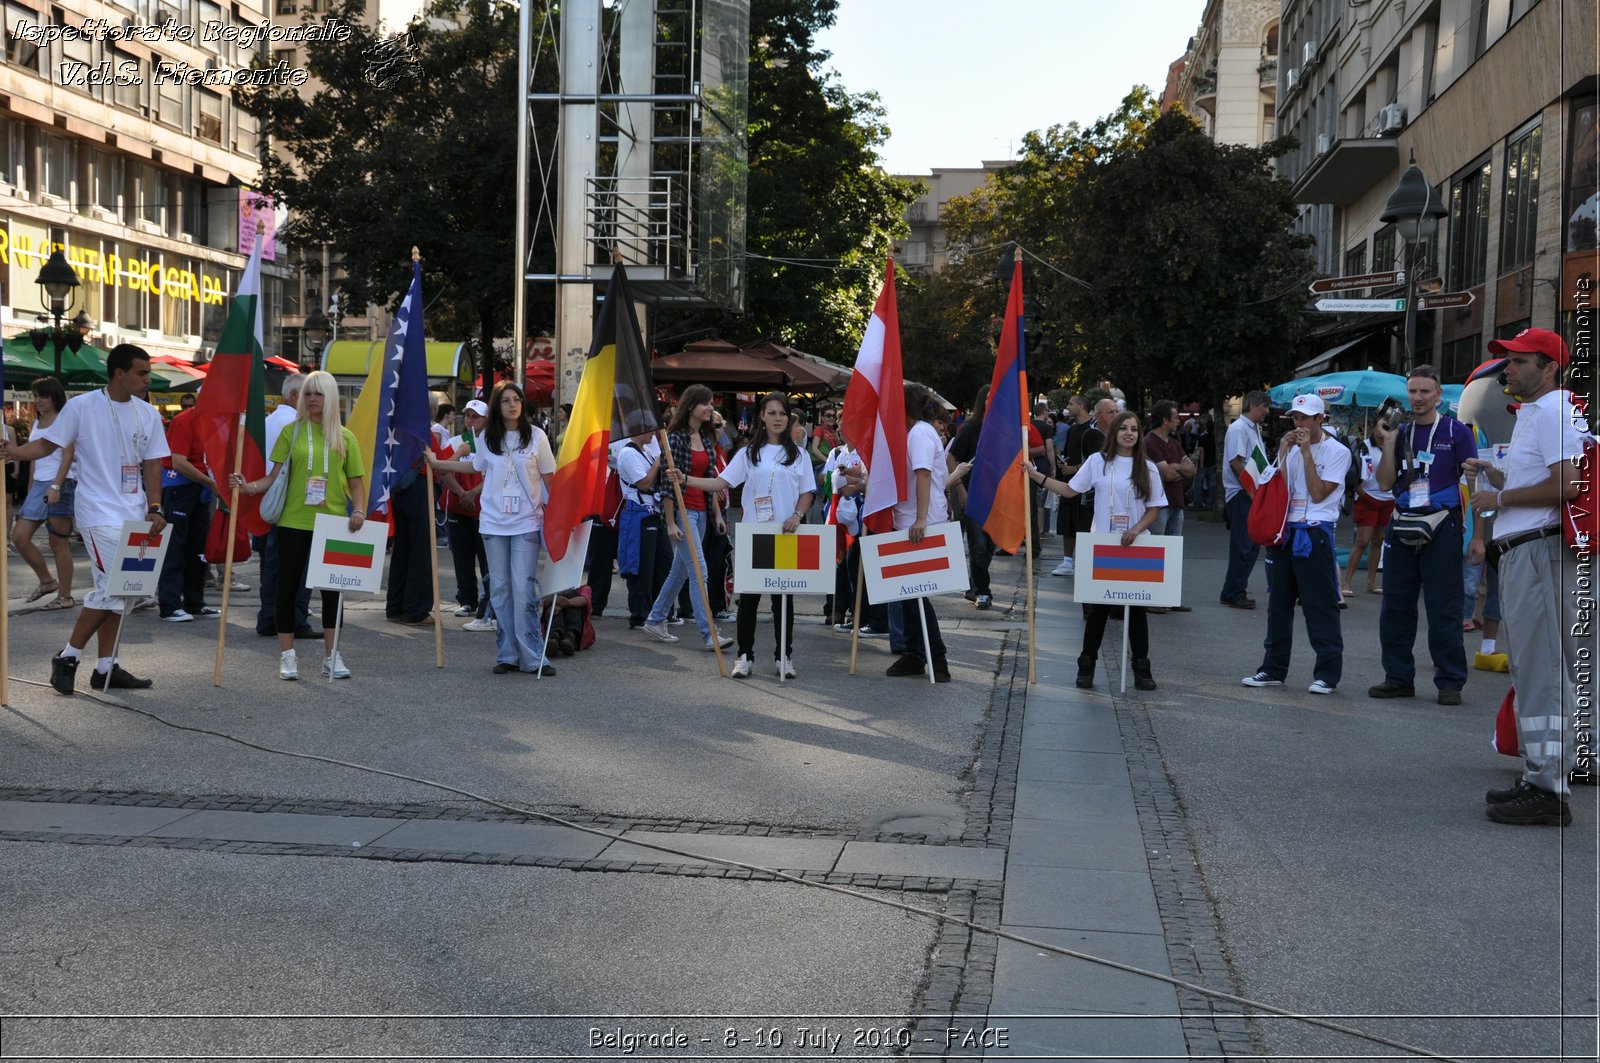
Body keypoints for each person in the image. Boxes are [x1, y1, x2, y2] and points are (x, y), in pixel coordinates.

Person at [1467, 328, 1590, 825]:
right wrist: (1501, 480)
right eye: (1505, 362)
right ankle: (1546, 775)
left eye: (1518, 362)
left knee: (1541, 673)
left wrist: (1500, 499)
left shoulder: (1554, 411)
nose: (1507, 371)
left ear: (1550, 367)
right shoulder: (1544, 413)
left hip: (1538, 554)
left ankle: (1547, 789)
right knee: (1543, 670)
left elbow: (1568, 484)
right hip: (1535, 551)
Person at [3, 344, 170, 694]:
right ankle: (68, 657)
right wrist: (14, 452)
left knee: (122, 592)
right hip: (97, 512)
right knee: (118, 589)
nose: (147, 379)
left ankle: (105, 668)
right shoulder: (82, 406)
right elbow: (49, 445)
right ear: (119, 373)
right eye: (141, 372)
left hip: (136, 513)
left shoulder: (148, 413)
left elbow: (153, 463)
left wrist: (155, 507)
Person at [230, 371, 366, 681]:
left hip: (333, 523)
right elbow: (273, 477)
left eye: (318, 393)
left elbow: (357, 482)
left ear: (330, 397)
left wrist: (358, 510)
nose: (312, 399)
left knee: (333, 592)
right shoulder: (291, 432)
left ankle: (332, 656)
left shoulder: (345, 437)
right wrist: (248, 486)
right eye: (307, 393)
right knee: (286, 588)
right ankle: (287, 656)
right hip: (293, 521)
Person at [673, 391, 814, 678]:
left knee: (782, 600)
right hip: (755, 535)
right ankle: (744, 656)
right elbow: (720, 482)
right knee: (749, 599)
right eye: (772, 413)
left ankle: (783, 657)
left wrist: (797, 516)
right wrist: (685, 479)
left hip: (786, 536)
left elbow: (807, 493)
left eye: (782, 413)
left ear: (789, 418)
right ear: (761, 416)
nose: (777, 418)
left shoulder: (799, 454)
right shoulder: (748, 453)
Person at [427, 381, 557, 676]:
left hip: (526, 522)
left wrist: (562, 514)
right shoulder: (487, 437)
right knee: (499, 589)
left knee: (523, 588)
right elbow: (475, 467)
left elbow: (550, 478)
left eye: (517, 399)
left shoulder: (537, 436)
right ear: (497, 406)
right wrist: (440, 462)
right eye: (506, 400)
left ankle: (534, 655)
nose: (513, 404)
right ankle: (507, 653)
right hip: (494, 523)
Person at [1030, 410, 1165, 690]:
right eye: (1124, 428)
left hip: (1136, 546)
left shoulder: (1148, 467)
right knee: (1099, 610)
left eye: (1135, 429)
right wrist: (1036, 476)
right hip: (1103, 546)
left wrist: (1136, 529)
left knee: (1137, 611)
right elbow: (1070, 490)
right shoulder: (1097, 462)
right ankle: (1087, 664)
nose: (1130, 433)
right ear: (1114, 431)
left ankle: (1142, 667)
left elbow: (1154, 509)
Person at [1368, 365, 1476, 705]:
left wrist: (1479, 536)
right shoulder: (1400, 432)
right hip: (1402, 521)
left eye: (1424, 391)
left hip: (1443, 522)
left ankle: (1450, 682)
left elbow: (1477, 483)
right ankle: (1398, 677)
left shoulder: (1457, 432)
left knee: (1444, 605)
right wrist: (1388, 444)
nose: (1417, 398)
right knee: (1396, 605)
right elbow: (1385, 484)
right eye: (1412, 392)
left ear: (1438, 395)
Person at [1239, 395, 1350, 694]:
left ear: (1320, 419)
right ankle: (1273, 669)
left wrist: (1305, 453)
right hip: (1284, 531)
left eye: (1305, 417)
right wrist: (1285, 452)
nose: (1299, 423)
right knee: (1278, 605)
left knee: (1320, 606)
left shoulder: (1338, 451)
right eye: (1295, 417)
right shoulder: (1289, 448)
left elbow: (1318, 494)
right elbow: (1281, 491)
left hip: (1314, 532)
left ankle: (1327, 674)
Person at [640, 385, 734, 652]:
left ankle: (656, 619)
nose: (710, 408)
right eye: (705, 403)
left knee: (679, 572)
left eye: (712, 404)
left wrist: (717, 514)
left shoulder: (706, 438)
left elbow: (709, 481)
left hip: (702, 512)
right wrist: (670, 522)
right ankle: (709, 633)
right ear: (691, 406)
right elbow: (669, 486)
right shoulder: (676, 439)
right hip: (683, 514)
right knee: (699, 572)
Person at [887, 383, 954, 683]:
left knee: (916, 593)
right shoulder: (918, 433)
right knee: (907, 593)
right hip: (910, 519)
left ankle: (936, 656)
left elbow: (923, 474)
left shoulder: (919, 434)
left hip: (919, 523)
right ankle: (916, 653)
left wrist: (921, 518)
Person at [255, 375, 316, 639]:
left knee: (274, 566)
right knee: (298, 567)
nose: (314, 400)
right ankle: (295, 619)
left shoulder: (268, 421)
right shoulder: (295, 425)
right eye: (310, 395)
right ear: (295, 396)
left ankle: (269, 617)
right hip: (295, 501)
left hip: (272, 499)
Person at [12, 377, 77, 611]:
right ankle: (47, 582)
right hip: (39, 484)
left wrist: (57, 486)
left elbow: (68, 456)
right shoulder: (36, 422)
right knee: (19, 537)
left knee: (57, 542)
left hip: (62, 481)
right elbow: (33, 458)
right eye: (36, 396)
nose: (38, 401)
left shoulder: (65, 419)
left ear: (54, 396)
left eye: (43, 396)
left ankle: (66, 596)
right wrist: (30, 488)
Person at [155, 395, 220, 622]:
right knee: (174, 547)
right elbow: (178, 461)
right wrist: (210, 482)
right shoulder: (184, 420)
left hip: (199, 488)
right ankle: (170, 604)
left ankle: (194, 602)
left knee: (198, 549)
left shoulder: (212, 423)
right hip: (180, 488)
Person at [438, 399, 492, 628]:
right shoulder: (456, 442)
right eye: (468, 415)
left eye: (476, 416)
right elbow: (443, 470)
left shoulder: (492, 442)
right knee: (462, 556)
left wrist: (474, 493)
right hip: (458, 507)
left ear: (486, 419)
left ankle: (488, 601)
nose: (471, 420)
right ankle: (467, 599)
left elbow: (493, 473)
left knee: (486, 558)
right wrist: (463, 493)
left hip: (485, 509)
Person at [615, 425, 671, 630]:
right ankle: (639, 614)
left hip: (654, 512)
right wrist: (658, 461)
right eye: (648, 430)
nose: (653, 434)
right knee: (641, 566)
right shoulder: (628, 453)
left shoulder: (645, 451)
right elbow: (644, 483)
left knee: (663, 564)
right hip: (638, 512)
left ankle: (660, 611)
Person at [945, 384, 995, 609]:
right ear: (982, 400)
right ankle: (983, 591)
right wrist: (960, 489)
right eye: (990, 397)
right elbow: (951, 458)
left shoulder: (1001, 429)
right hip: (971, 494)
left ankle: (974, 585)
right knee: (977, 545)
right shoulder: (969, 428)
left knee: (991, 544)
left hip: (995, 496)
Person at [1220, 391, 1271, 608]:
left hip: (1248, 493)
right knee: (1244, 545)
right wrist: (1253, 492)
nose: (1267, 411)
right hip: (1242, 494)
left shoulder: (1251, 428)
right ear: (1252, 405)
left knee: (1250, 545)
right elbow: (1236, 462)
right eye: (1264, 406)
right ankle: (1234, 591)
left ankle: (1234, 589)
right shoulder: (1239, 428)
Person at [1341, 422, 1393, 597]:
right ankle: (1346, 583)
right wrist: (1362, 494)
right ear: (1374, 427)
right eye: (1382, 426)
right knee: (1362, 542)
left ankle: (1370, 583)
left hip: (1388, 499)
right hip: (1368, 497)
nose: (1384, 430)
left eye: (1388, 427)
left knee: (1378, 541)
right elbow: (1352, 474)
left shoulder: (1393, 446)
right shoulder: (1364, 446)